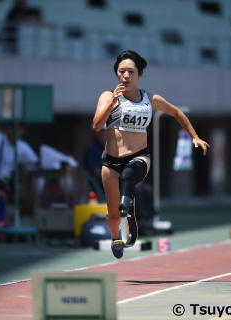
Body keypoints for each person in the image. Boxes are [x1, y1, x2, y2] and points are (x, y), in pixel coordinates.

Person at [93, 50, 210, 259]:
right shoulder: (108, 96)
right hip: (111, 162)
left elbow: (176, 112)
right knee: (112, 216)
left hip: (139, 157)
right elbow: (96, 125)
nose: (126, 76)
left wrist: (194, 136)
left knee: (129, 175)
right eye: (121, 72)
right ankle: (116, 236)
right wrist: (112, 103)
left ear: (139, 75)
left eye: (131, 71)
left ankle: (127, 204)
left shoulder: (150, 99)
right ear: (116, 75)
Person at [83, 125, 107, 201]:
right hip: (96, 188)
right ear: (94, 132)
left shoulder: (105, 148)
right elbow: (96, 172)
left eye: (104, 132)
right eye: (100, 131)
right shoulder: (91, 149)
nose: (102, 134)